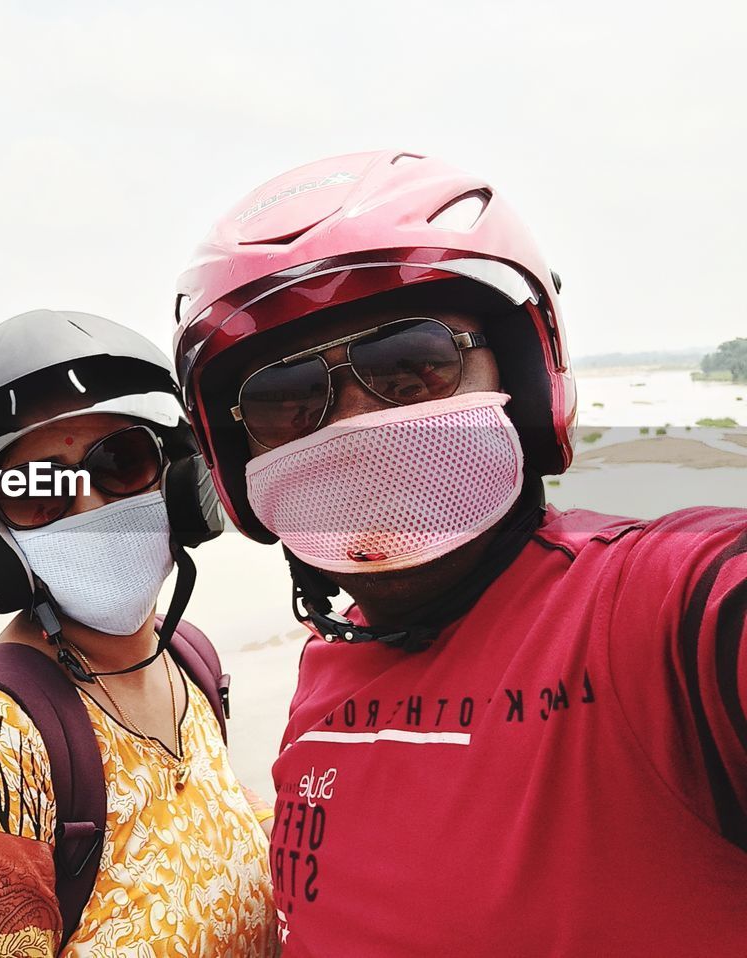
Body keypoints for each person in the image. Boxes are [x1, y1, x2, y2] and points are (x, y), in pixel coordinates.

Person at [172, 151, 747, 955]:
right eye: (284, 398)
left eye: (412, 364)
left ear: (519, 373)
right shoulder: (321, 675)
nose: (346, 424)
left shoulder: (651, 618)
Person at [0, 309, 277, 956]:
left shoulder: (186, 658)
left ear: (179, 480)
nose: (91, 505)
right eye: (38, 489)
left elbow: (209, 809)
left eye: (120, 462)